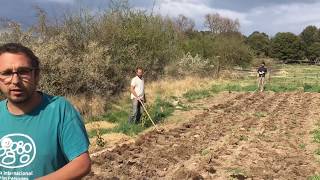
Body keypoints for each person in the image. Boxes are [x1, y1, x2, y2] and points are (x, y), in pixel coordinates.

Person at [0, 43, 91, 179]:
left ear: (36, 75)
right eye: (7, 73)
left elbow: (82, 164)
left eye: (23, 72)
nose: (15, 81)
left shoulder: (60, 109)